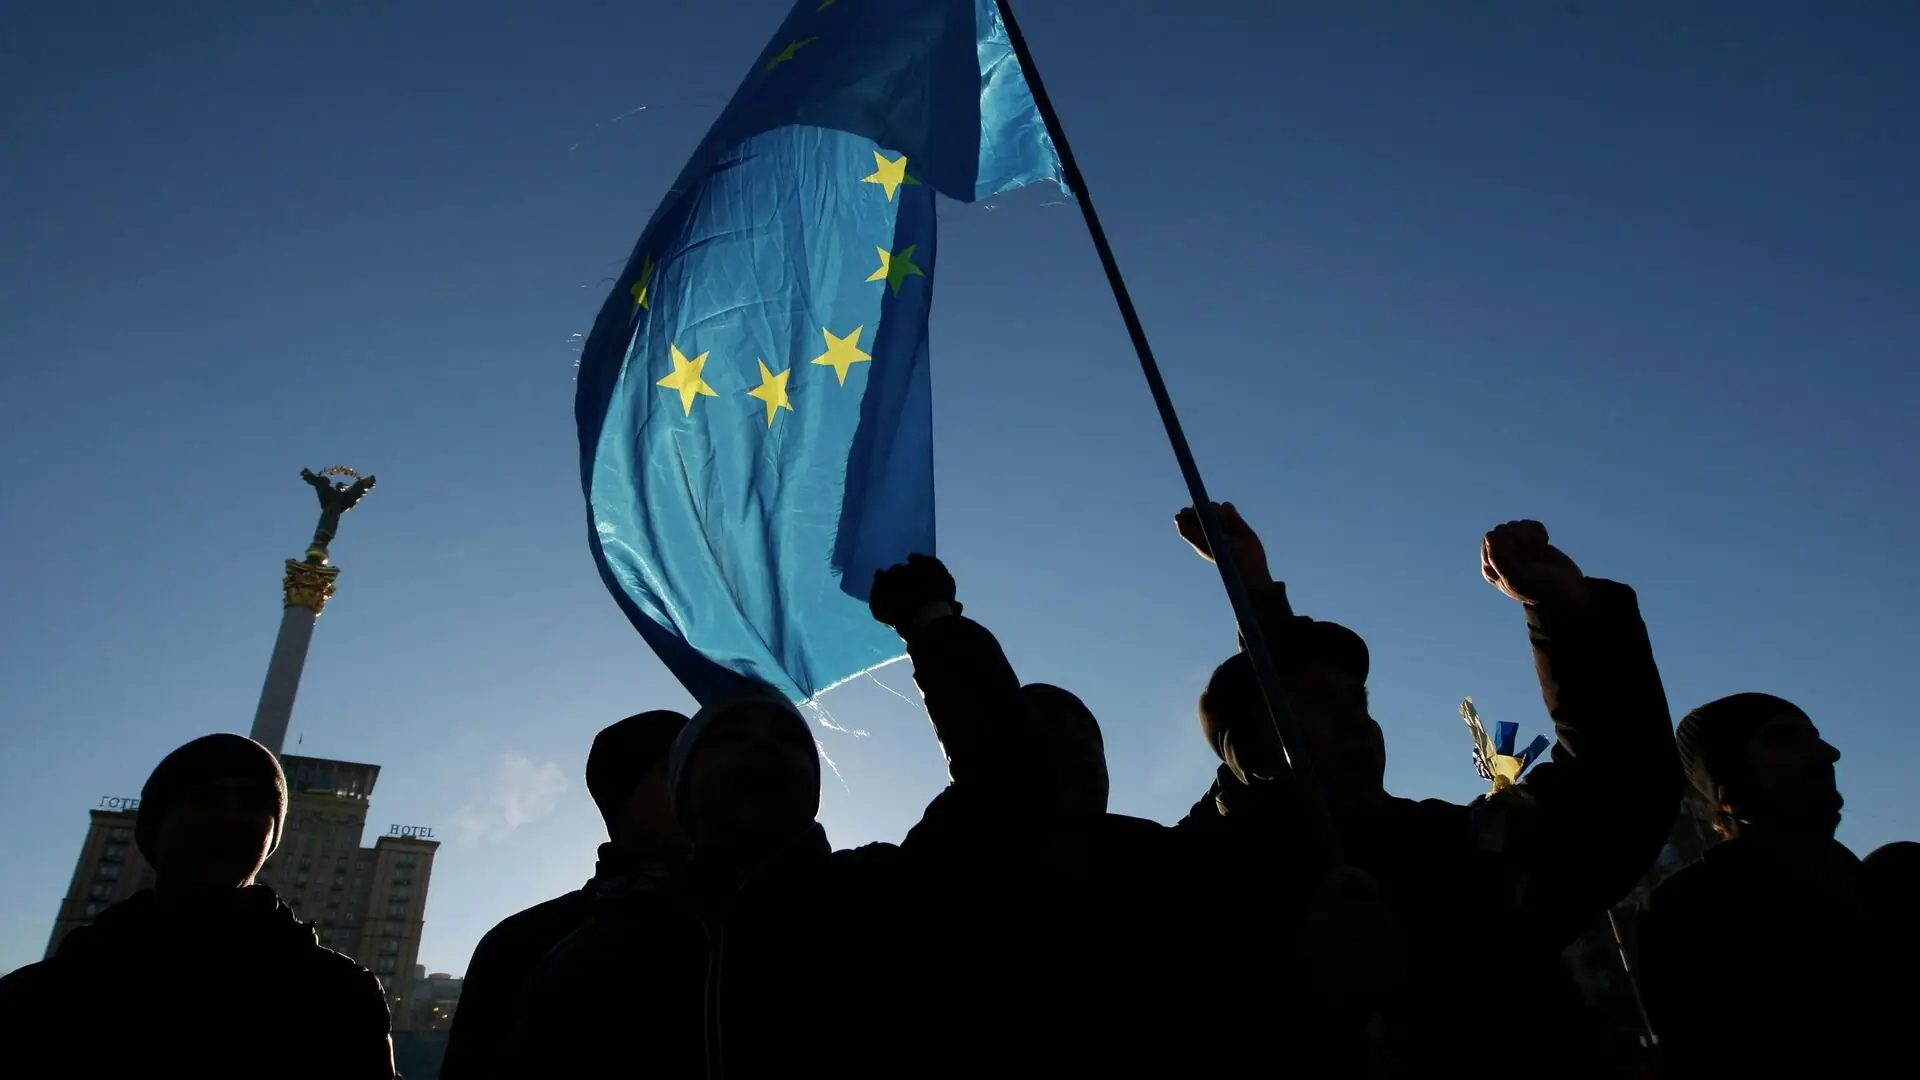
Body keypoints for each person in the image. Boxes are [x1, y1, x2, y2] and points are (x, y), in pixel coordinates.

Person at [1177, 505, 1680, 1078]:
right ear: (1250, 751)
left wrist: (1567, 616)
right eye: (1319, 704)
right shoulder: (1200, 886)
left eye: (1359, 701)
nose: (1356, 720)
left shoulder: (1459, 851)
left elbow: (1618, 793)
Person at [879, 553, 1403, 1077]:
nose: (1081, 752)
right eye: (1051, 737)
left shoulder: (1170, 862)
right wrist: (932, 622)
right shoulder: (949, 866)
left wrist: (1259, 601)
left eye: (1091, 741)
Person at [505, 689, 924, 1079]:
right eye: (727, 739)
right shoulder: (563, 953)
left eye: (789, 738)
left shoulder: (880, 887)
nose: (763, 748)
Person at [0, 733, 396, 1078]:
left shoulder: (339, 994)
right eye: (205, 799)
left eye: (252, 802)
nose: (229, 818)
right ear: (156, 826)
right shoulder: (45, 996)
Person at [1638, 693, 1888, 1077]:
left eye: (1814, 737)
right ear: (1727, 787)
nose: (1828, 754)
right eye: (1785, 738)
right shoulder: (1689, 910)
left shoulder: (1877, 880)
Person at [441, 710, 689, 1080]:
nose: (705, 783)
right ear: (626, 794)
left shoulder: (753, 917)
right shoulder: (524, 942)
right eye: (675, 769)